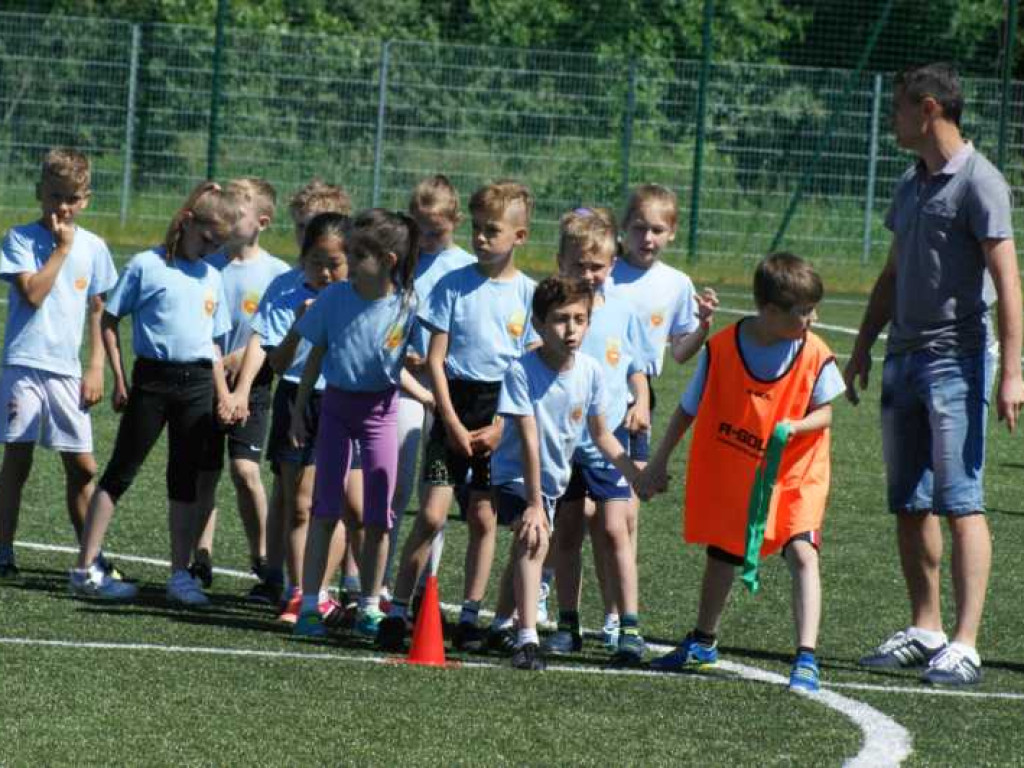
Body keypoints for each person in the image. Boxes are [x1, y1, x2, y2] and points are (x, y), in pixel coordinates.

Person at [846, 63, 1023, 686]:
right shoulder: (911, 182)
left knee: (960, 502)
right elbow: (893, 274)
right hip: (903, 358)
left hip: (958, 363)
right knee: (909, 501)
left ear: (928, 110)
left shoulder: (981, 181)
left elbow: (1008, 283)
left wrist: (1011, 373)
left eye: (898, 108)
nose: (891, 119)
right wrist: (863, 345)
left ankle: (966, 642)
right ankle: (926, 628)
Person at [637, 253, 844, 693]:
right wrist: (659, 461)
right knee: (722, 555)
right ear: (769, 311)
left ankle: (806, 657)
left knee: (803, 552)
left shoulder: (814, 352)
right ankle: (703, 640)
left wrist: (795, 427)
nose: (813, 319)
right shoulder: (724, 347)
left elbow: (825, 414)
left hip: (796, 474)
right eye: (804, 311)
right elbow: (688, 408)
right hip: (741, 474)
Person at [377, 180, 539, 652]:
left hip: (498, 411)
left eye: (493, 230)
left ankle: (470, 616)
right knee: (431, 515)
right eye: (478, 229)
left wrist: (502, 426)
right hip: (453, 405)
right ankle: (398, 610)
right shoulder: (453, 285)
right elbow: (434, 360)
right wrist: (447, 418)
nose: (482, 238)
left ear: (519, 236)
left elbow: (526, 369)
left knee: (484, 517)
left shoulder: (529, 294)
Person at [68, 182, 236, 605]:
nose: (210, 250)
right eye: (207, 239)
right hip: (152, 381)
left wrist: (222, 394)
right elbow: (110, 320)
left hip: (197, 385)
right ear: (187, 222)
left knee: (184, 479)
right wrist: (120, 378)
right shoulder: (147, 265)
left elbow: (214, 346)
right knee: (121, 471)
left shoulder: (213, 276)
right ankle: (84, 569)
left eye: (218, 244)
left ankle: (180, 575)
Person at [289, 209, 432, 638]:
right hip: (335, 409)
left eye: (357, 255)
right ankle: (309, 605)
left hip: (381, 413)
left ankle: (370, 604)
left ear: (388, 260)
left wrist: (426, 387)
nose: (347, 262)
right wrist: (298, 410)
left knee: (379, 515)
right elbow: (315, 356)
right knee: (325, 509)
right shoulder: (334, 298)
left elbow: (411, 360)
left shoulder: (407, 304)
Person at [487, 275, 641, 670]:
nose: (571, 329)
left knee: (526, 549)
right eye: (560, 319)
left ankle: (499, 624)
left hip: (551, 481)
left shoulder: (590, 372)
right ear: (538, 324)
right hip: (516, 475)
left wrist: (635, 474)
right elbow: (529, 439)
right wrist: (535, 503)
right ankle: (527, 640)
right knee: (534, 538)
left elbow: (602, 435)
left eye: (579, 319)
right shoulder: (521, 372)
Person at [598, 183, 717, 646]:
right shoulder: (604, 271)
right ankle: (548, 587)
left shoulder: (676, 284)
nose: (647, 238)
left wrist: (703, 326)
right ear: (623, 229)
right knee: (576, 510)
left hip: (639, 402)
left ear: (672, 233)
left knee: (625, 514)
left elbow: (682, 352)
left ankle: (616, 614)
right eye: (639, 228)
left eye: (657, 230)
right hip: (590, 394)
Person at [222, 212, 352, 623]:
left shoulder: (358, 295)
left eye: (335, 264)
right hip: (296, 400)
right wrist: (299, 327)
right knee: (298, 505)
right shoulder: (285, 288)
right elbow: (277, 363)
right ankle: (299, 594)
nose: (325, 273)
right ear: (303, 259)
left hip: (343, 401)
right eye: (316, 263)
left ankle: (323, 592)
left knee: (337, 504)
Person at [543, 207, 656, 665]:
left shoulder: (623, 311)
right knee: (567, 534)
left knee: (615, 529)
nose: (588, 275)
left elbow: (637, 368)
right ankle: (567, 624)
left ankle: (628, 625)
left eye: (597, 266)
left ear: (612, 264)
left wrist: (641, 402)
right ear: (561, 263)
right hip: (563, 445)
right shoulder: (555, 314)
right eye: (579, 265)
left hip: (607, 445)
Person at [0, 148, 118, 581]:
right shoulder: (19, 238)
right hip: (24, 364)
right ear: (39, 193)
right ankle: (3, 550)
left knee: (83, 467)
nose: (62, 207)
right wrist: (62, 250)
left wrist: (96, 366)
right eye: (54, 196)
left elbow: (98, 309)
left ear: (85, 200)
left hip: (67, 371)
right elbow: (33, 294)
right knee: (17, 460)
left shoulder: (95, 247)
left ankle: (90, 556)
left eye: (71, 198)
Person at [192, 178, 289, 591]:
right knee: (204, 473)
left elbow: (274, 335)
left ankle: (263, 557)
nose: (229, 220)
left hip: (254, 386)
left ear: (262, 222)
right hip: (207, 382)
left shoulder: (278, 273)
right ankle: (200, 556)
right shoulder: (208, 265)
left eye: (239, 214)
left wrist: (239, 376)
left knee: (245, 470)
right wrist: (220, 368)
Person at [383, 175, 473, 601]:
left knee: (434, 494)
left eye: (435, 231)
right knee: (395, 486)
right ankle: (380, 582)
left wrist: (438, 360)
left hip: (445, 387)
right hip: (403, 383)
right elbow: (387, 317)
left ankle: (425, 585)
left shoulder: (465, 267)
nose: (426, 239)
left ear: (455, 221)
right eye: (419, 229)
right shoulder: (401, 263)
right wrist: (405, 355)